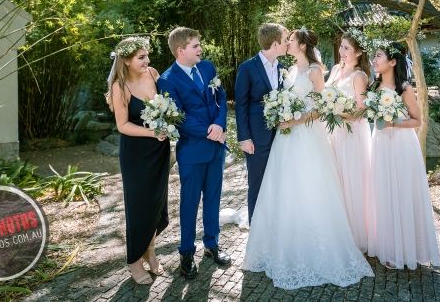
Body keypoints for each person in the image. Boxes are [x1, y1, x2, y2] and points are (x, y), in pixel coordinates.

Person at [242, 27, 374, 290]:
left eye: (290, 40)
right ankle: (283, 243)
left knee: (309, 187)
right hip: (285, 138)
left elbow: (320, 108)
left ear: (302, 45)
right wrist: (280, 112)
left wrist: (296, 119)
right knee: (284, 189)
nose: (287, 43)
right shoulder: (289, 70)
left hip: (306, 135)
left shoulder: (315, 71)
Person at [156, 27, 231, 279]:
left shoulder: (207, 67)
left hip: (215, 148)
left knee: (213, 199)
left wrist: (220, 125)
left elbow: (221, 97)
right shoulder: (167, 80)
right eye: (195, 46)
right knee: (189, 203)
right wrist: (211, 132)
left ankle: (212, 244)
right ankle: (186, 252)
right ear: (181, 50)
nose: (200, 49)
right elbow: (178, 117)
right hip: (192, 151)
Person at [366, 41, 440, 270]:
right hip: (380, 144)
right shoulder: (372, 87)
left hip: (401, 145)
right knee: (384, 193)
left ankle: (407, 250)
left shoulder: (404, 88)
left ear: (392, 62)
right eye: (374, 56)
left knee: (403, 193)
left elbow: (417, 121)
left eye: (379, 55)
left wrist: (393, 123)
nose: (374, 60)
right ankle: (389, 246)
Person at [106, 37, 170, 285]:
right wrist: (152, 132)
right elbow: (122, 125)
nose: (147, 61)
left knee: (156, 204)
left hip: (160, 150)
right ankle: (134, 261)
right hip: (136, 154)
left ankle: (150, 252)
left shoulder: (153, 74)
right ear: (126, 60)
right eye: (141, 57)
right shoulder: (120, 86)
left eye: (147, 56)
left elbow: (167, 106)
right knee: (139, 207)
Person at [234, 23, 289, 224]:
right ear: (275, 44)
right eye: (285, 41)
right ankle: (256, 230)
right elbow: (240, 104)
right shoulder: (248, 67)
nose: (288, 44)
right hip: (257, 137)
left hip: (281, 136)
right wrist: (244, 138)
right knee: (257, 184)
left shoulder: (282, 69)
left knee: (278, 183)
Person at [325, 32, 372, 252]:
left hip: (351, 134)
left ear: (359, 52)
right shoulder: (336, 69)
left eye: (346, 48)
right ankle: (337, 231)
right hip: (333, 132)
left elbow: (361, 111)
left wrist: (335, 112)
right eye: (341, 46)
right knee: (335, 180)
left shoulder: (359, 76)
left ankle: (355, 235)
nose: (341, 51)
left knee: (351, 180)